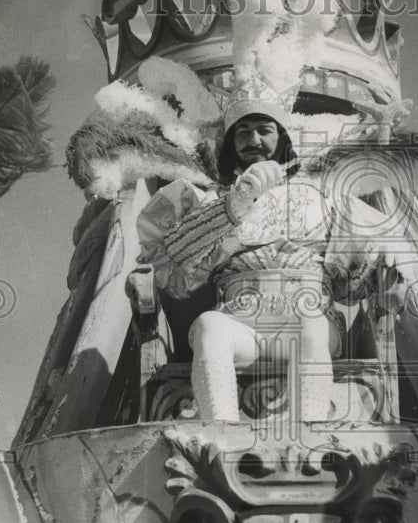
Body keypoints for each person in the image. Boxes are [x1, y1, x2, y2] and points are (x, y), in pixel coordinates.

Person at [136, 109, 395, 422]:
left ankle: (309, 429)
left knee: (310, 319)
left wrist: (385, 262)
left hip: (306, 325)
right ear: (231, 143)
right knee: (209, 326)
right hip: (241, 324)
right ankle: (220, 433)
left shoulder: (324, 198)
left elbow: (353, 285)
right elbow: (173, 263)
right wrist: (235, 204)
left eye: (263, 130)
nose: (253, 140)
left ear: (282, 137)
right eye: (242, 132)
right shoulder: (210, 200)